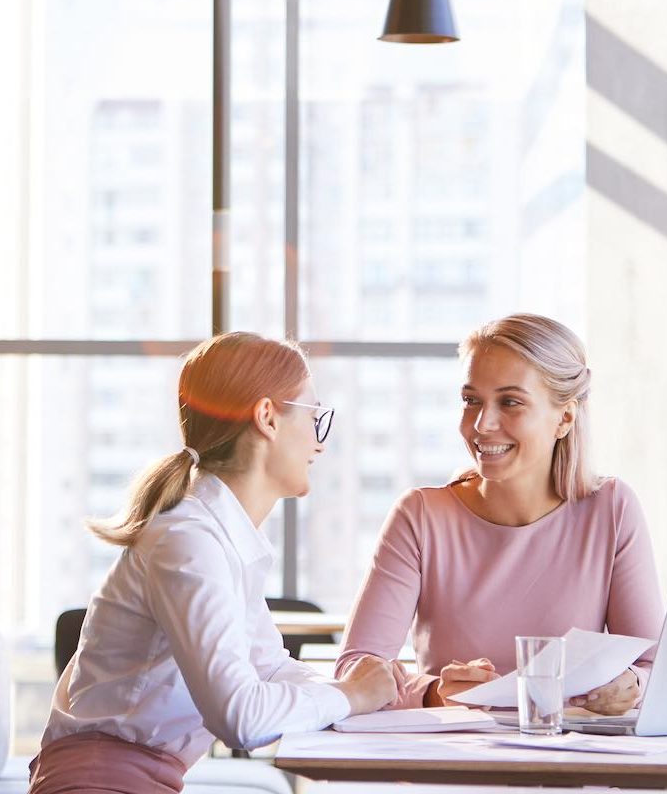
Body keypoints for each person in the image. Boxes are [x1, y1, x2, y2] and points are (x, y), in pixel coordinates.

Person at [29, 332, 394, 794]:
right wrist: (350, 696)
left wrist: (382, 691)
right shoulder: (189, 542)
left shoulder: (220, 538)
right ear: (267, 418)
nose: (319, 444)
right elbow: (240, 718)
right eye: (314, 416)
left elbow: (270, 667)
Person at [336, 313, 663, 714]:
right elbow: (355, 670)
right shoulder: (420, 517)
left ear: (565, 417)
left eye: (510, 402)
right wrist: (435, 693)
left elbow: (651, 666)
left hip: (571, 763)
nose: (481, 424)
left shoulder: (611, 508)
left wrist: (631, 684)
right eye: (471, 400)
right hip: (454, 764)